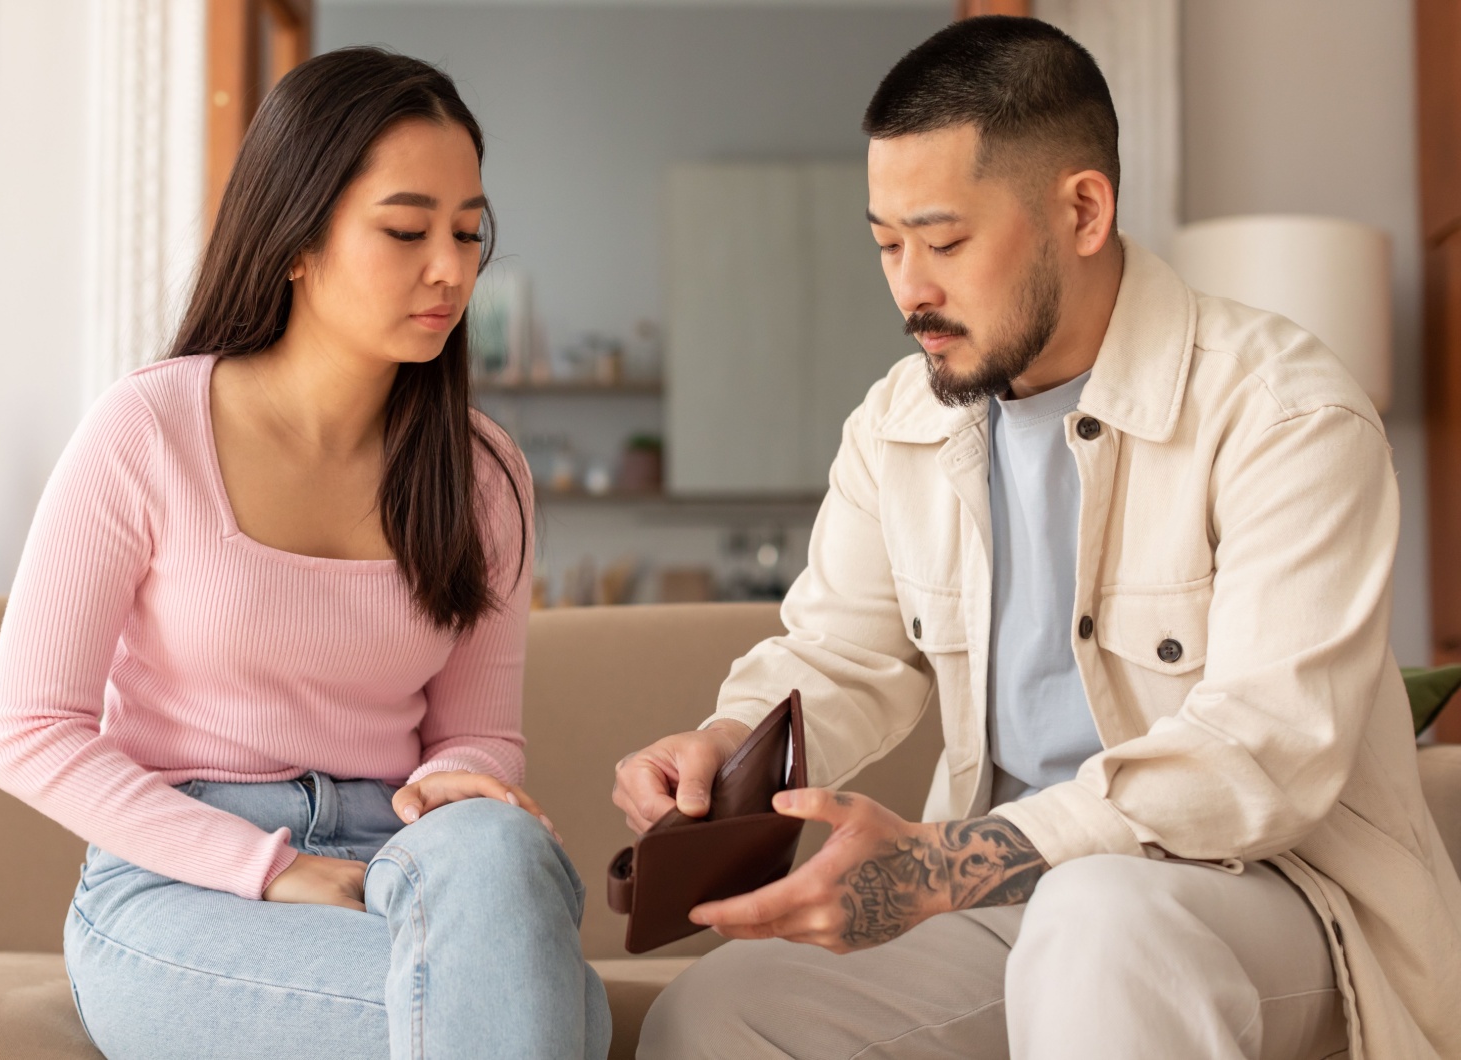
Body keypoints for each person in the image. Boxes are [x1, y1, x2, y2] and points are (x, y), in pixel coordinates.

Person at [615, 17, 1461, 1060]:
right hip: (1002, 887)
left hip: (1265, 898)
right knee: (718, 1009)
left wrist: (950, 862)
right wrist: (722, 742)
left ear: (1084, 210)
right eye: (886, 242)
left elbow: (1260, 757)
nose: (909, 287)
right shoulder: (898, 421)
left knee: (1100, 916)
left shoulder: (1285, 412)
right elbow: (840, 655)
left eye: (945, 239)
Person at [0, 47, 610, 1060]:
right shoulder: (145, 432)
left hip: (400, 859)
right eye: (406, 230)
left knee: (497, 846)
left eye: (467, 230)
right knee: (545, 1019)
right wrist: (268, 865)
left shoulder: (484, 472)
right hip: (179, 881)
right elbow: (27, 729)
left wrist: (455, 787)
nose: (450, 269)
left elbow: (478, 739)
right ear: (295, 241)